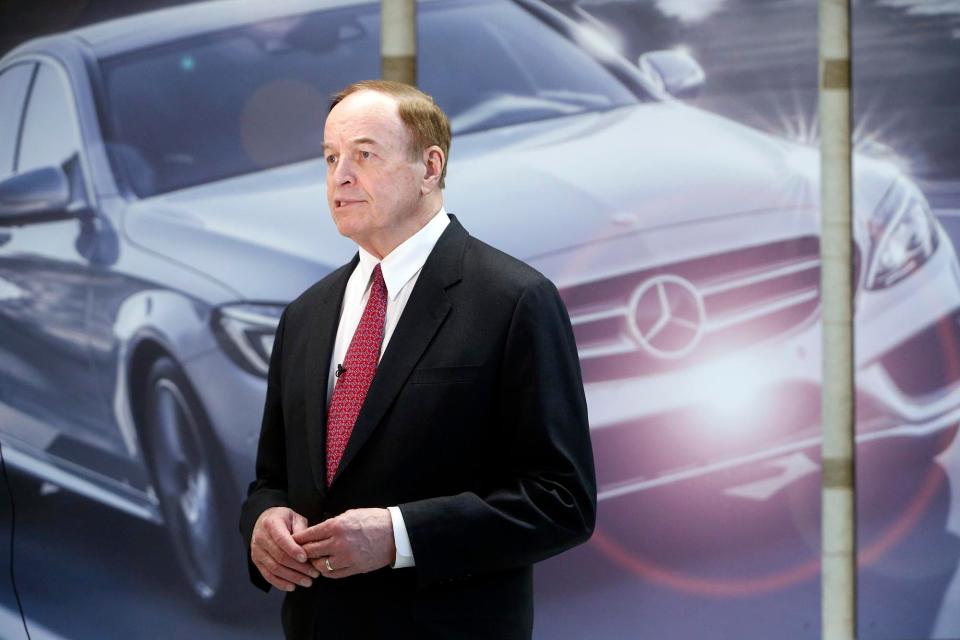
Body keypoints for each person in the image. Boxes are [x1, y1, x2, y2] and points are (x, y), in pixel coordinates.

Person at [239, 79, 596, 639]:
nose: (341, 176)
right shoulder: (304, 316)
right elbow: (271, 479)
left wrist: (399, 536)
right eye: (331, 158)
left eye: (364, 154)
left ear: (430, 167)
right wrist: (262, 522)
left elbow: (560, 501)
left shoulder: (514, 299)